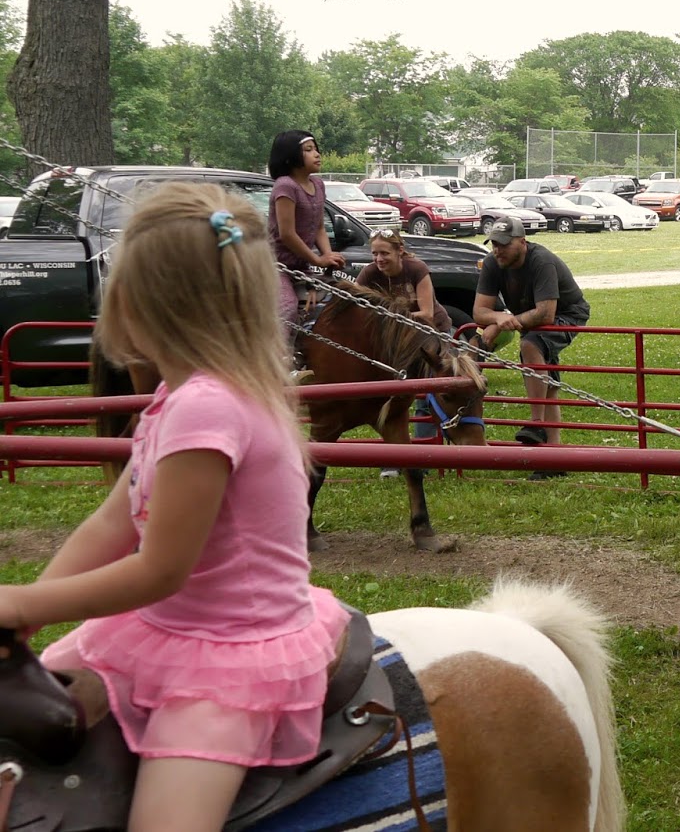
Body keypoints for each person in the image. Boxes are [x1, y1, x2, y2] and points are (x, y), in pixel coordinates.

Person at [0, 182, 350, 832]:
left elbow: (161, 568)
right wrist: (27, 612)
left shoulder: (207, 407)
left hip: (228, 654)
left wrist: (23, 602)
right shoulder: (185, 394)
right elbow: (112, 521)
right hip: (166, 628)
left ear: (139, 302)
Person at [473, 217, 591, 480]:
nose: (497, 249)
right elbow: (479, 312)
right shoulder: (493, 263)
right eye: (494, 243)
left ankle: (536, 424)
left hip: (568, 314)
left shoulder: (541, 261)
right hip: (530, 316)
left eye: (504, 244)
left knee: (531, 344)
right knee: (547, 382)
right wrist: (497, 318)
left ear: (522, 242)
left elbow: (547, 314)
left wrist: (503, 322)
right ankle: (554, 459)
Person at [356, 228, 454, 475]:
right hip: (395, 338)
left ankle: (424, 457)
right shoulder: (368, 274)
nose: (379, 259)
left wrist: (386, 316)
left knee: (427, 392)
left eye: (385, 253)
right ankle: (393, 458)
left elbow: (427, 313)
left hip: (432, 332)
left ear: (400, 251)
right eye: (375, 253)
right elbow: (355, 307)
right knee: (390, 395)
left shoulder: (416, 269)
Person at [267, 130, 345, 322]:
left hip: (301, 266)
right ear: (290, 157)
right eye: (309, 150)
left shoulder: (318, 184)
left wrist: (328, 255)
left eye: (316, 149)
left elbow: (319, 228)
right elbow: (287, 234)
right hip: (275, 266)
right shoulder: (285, 186)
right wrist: (317, 260)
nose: (317, 154)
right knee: (287, 308)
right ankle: (281, 353)